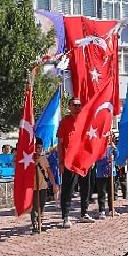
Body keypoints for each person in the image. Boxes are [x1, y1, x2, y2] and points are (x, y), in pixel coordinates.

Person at [57, 97, 93, 227]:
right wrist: (61, 162)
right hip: (69, 161)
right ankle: (65, 216)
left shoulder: (85, 121)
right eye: (75, 105)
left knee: (86, 187)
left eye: (79, 105)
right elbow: (60, 144)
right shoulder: (65, 122)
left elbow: (90, 141)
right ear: (69, 107)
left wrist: (91, 158)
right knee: (68, 189)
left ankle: (84, 213)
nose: (78, 107)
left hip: (84, 160)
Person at [32, 138, 55, 233]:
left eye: (41, 148)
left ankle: (40, 222)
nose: (39, 149)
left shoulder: (44, 158)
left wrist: (54, 184)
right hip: (33, 187)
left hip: (43, 186)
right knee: (35, 207)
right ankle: (34, 225)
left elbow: (49, 172)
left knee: (42, 205)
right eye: (37, 147)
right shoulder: (29, 159)